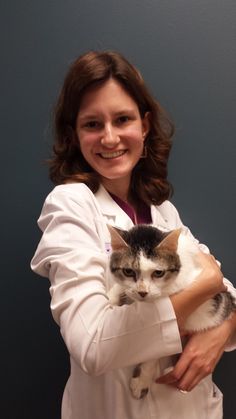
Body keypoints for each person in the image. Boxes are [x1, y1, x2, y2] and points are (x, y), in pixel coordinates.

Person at [31, 50, 236, 419]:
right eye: (92, 124)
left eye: (122, 119)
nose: (109, 138)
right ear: (74, 136)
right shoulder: (70, 205)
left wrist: (224, 329)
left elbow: (229, 296)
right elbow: (94, 346)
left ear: (144, 126)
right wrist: (206, 286)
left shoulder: (162, 211)